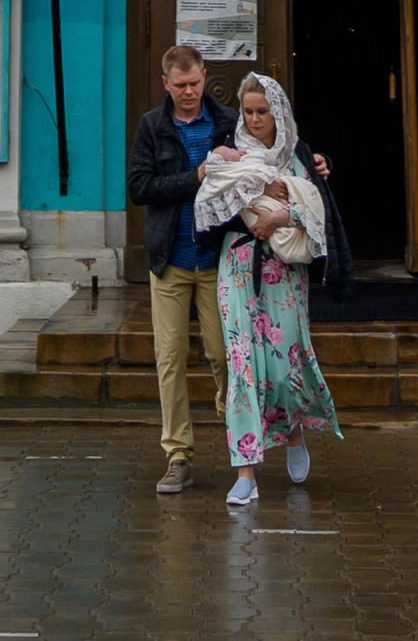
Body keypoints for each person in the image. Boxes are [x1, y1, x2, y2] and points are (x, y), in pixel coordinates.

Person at [193, 69, 344, 509]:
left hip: (285, 272)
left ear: (278, 114)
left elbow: (318, 214)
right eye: (248, 111)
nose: (255, 119)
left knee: (282, 365)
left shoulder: (299, 157)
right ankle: (245, 471)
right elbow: (209, 202)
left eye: (263, 112)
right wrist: (244, 181)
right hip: (239, 266)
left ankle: (294, 433)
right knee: (242, 365)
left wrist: (281, 215)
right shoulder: (232, 152)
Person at [127, 41, 234, 493]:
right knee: (169, 359)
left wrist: (313, 162)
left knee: (222, 354)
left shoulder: (227, 123)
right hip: (169, 260)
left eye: (195, 83)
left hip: (215, 259)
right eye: (180, 86)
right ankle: (178, 454)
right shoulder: (152, 125)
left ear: (204, 76)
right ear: (166, 83)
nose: (188, 92)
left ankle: (239, 432)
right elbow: (140, 187)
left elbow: (272, 154)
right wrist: (195, 177)